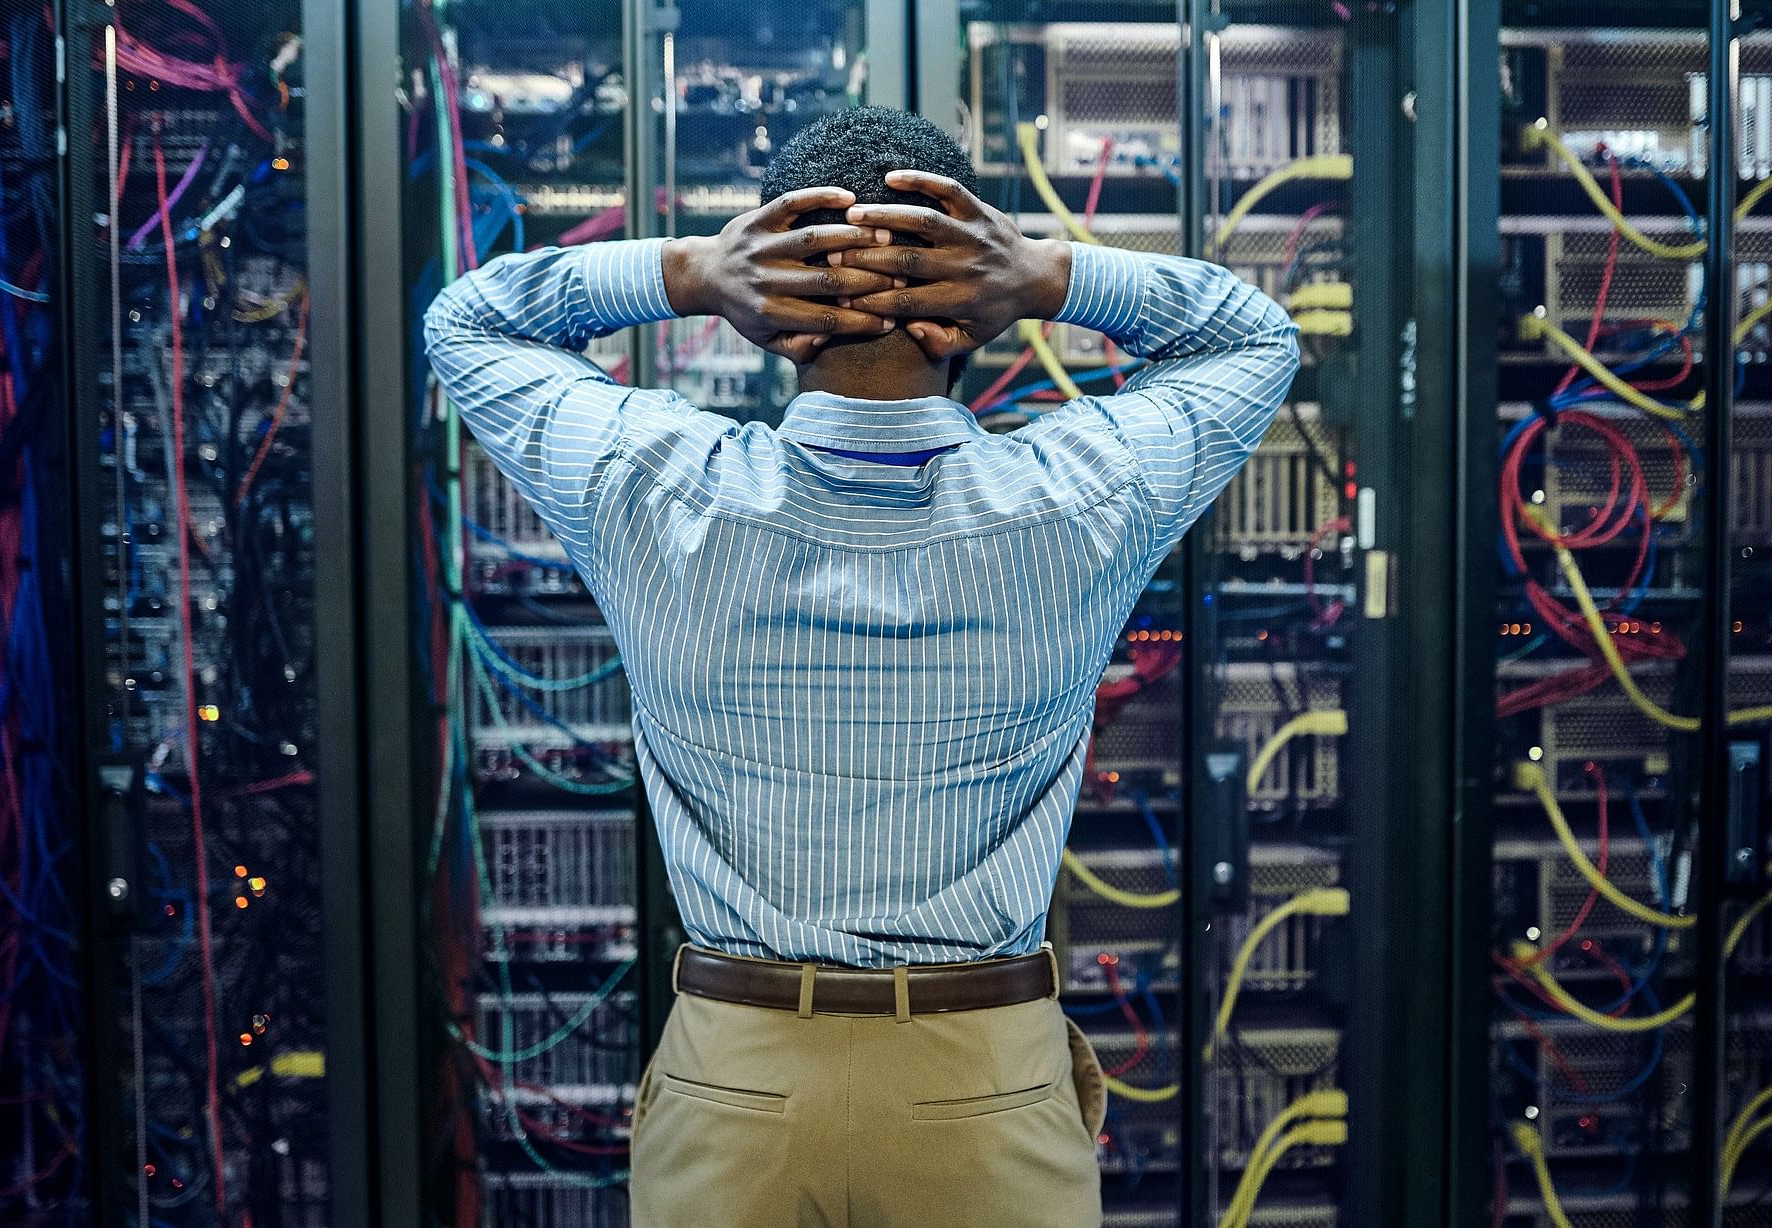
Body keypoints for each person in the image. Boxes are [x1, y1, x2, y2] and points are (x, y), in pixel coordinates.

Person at [425, 106, 1299, 1228]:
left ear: (770, 314)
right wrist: (1044, 276)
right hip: (980, 1085)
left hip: (734, 1084)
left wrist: (690, 271)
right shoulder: (1080, 496)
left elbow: (469, 323)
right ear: (964, 310)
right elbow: (1252, 338)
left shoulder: (650, 483)